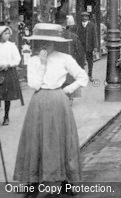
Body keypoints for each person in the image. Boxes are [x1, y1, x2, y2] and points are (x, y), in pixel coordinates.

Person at [14, 23, 88, 193]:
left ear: (56, 42)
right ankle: (33, 181)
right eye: (41, 41)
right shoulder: (33, 60)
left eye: (49, 41)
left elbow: (82, 77)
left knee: (61, 139)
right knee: (36, 139)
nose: (45, 45)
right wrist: (41, 63)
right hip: (39, 101)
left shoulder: (65, 58)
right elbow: (34, 84)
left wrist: (66, 90)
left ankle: (65, 181)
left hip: (58, 100)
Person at [56, 13, 85, 103]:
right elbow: (80, 54)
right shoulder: (73, 36)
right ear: (66, 23)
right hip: (69, 65)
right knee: (68, 82)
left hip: (55, 65)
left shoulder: (52, 36)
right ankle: (69, 99)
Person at [0, 25, 22, 126]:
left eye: (8, 33)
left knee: (7, 96)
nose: (7, 35)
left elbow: (17, 59)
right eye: (5, 33)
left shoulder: (12, 46)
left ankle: (6, 116)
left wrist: (8, 64)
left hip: (8, 72)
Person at [76, 11, 97, 81]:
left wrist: (95, 47)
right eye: (83, 17)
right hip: (81, 46)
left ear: (88, 18)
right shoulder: (79, 25)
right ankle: (82, 76)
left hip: (89, 46)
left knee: (90, 61)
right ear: (81, 18)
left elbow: (94, 36)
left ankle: (90, 75)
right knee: (81, 60)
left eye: (86, 17)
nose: (84, 18)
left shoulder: (92, 25)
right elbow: (77, 36)